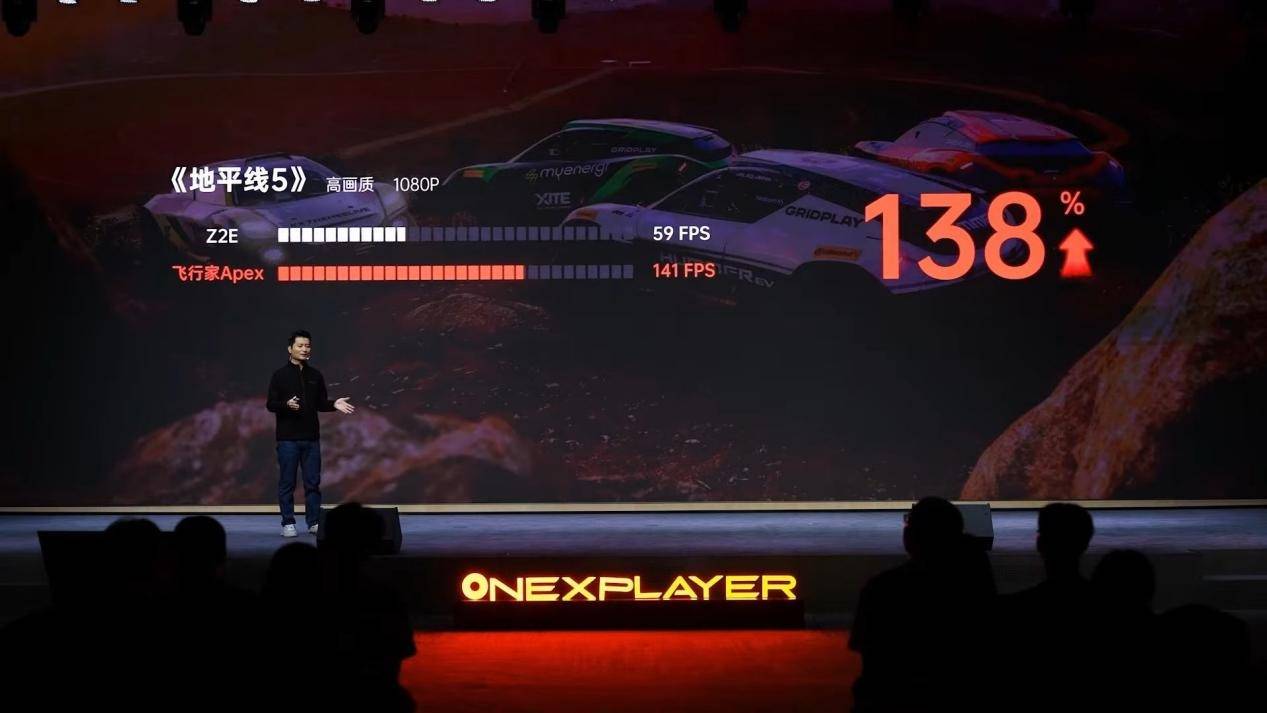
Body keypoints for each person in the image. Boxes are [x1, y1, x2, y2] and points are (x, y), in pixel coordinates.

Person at [849, 497, 995, 713]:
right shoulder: (975, 584)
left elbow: (871, 663)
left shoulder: (882, 590)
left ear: (911, 536)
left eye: (908, 524)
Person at [266, 329, 355, 538]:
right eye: (300, 346)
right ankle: (288, 522)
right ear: (290, 349)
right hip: (288, 439)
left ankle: (313, 521)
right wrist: (286, 405)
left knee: (313, 483)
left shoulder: (315, 375)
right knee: (287, 483)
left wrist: (334, 404)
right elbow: (270, 404)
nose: (305, 349)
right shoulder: (279, 375)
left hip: (311, 439)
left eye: (307, 346)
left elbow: (320, 403)